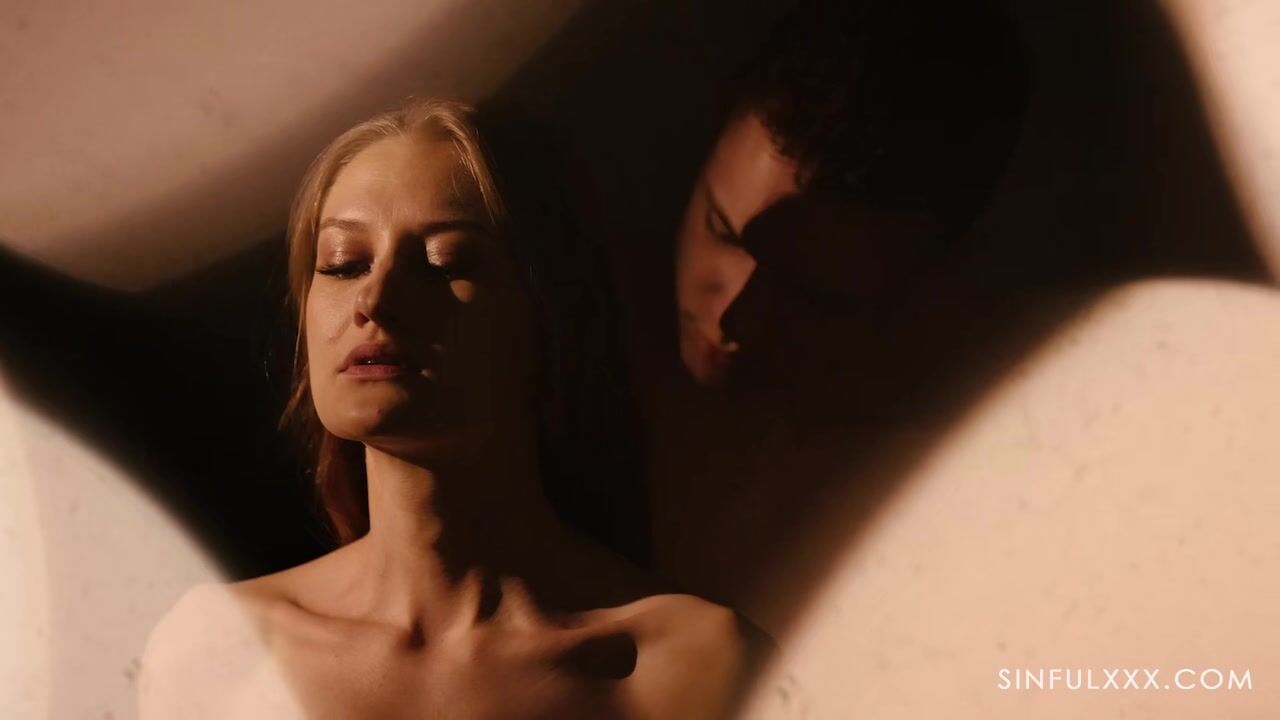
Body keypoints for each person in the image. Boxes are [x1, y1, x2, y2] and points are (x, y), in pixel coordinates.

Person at [139, 98, 766, 719]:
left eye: (445, 263)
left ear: (549, 314)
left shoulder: (689, 666)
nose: (374, 299)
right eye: (344, 264)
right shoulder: (218, 651)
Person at [653, 0, 1031, 633]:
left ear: (920, 290)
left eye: (810, 293)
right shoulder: (546, 322)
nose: (733, 318)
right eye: (721, 230)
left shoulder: (935, 536)